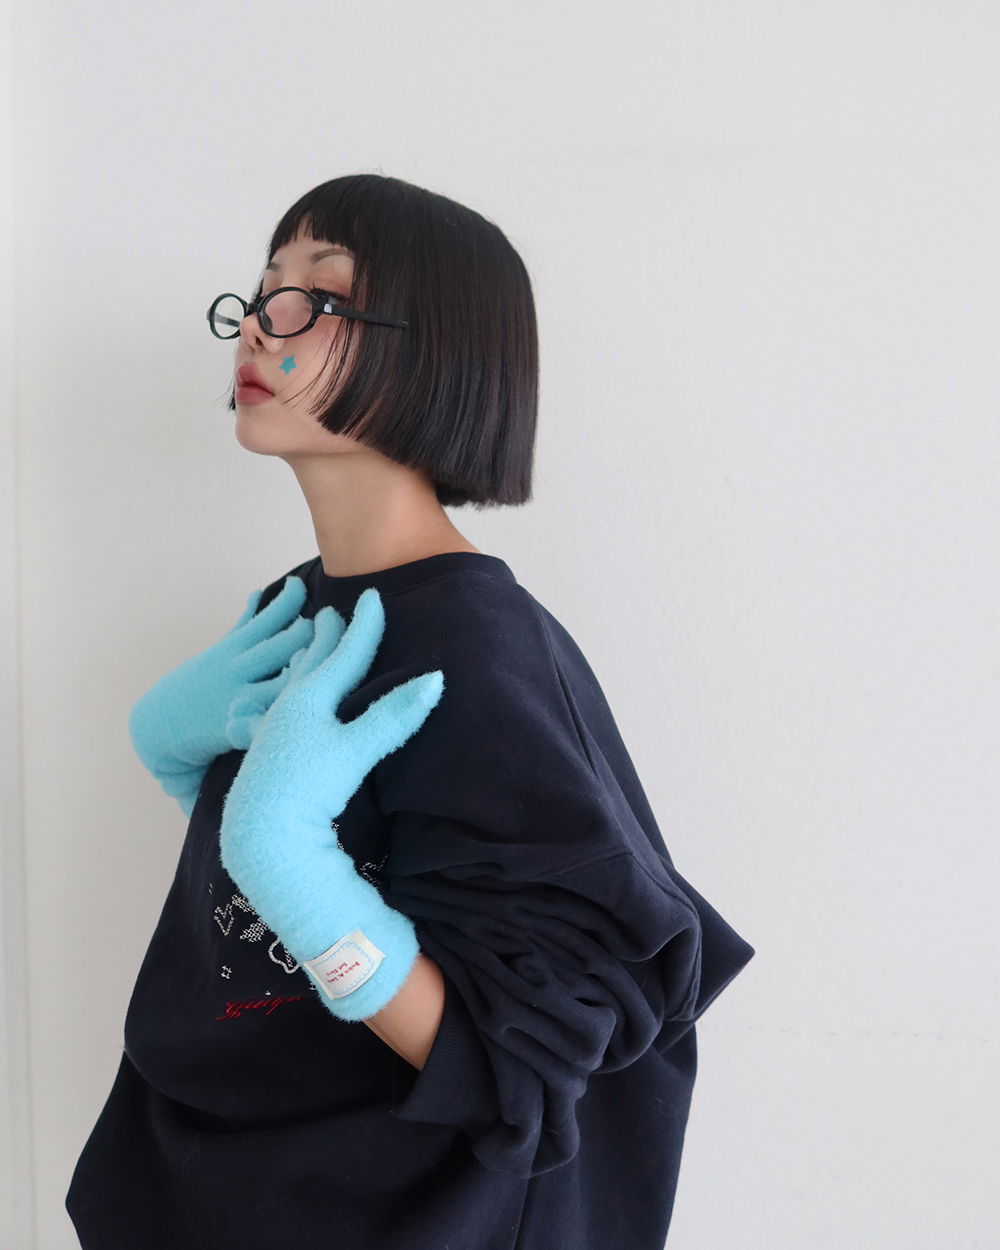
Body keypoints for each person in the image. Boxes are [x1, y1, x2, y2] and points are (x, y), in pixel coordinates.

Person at [65, 172, 756, 1249]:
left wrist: (290, 861)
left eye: (320, 296)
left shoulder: (477, 648)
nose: (260, 322)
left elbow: (525, 1060)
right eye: (265, 285)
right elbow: (292, 896)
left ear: (435, 352)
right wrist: (185, 764)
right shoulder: (301, 607)